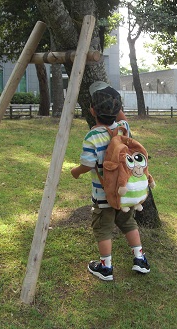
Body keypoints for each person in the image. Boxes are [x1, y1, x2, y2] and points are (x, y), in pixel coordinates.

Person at [71, 81, 150, 281]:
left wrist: (76, 171)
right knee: (129, 222)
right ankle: (140, 259)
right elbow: (121, 118)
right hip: (125, 194)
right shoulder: (123, 129)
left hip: (103, 195)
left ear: (91, 110)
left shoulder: (92, 137)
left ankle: (106, 267)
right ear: (119, 109)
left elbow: (88, 165)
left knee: (103, 228)